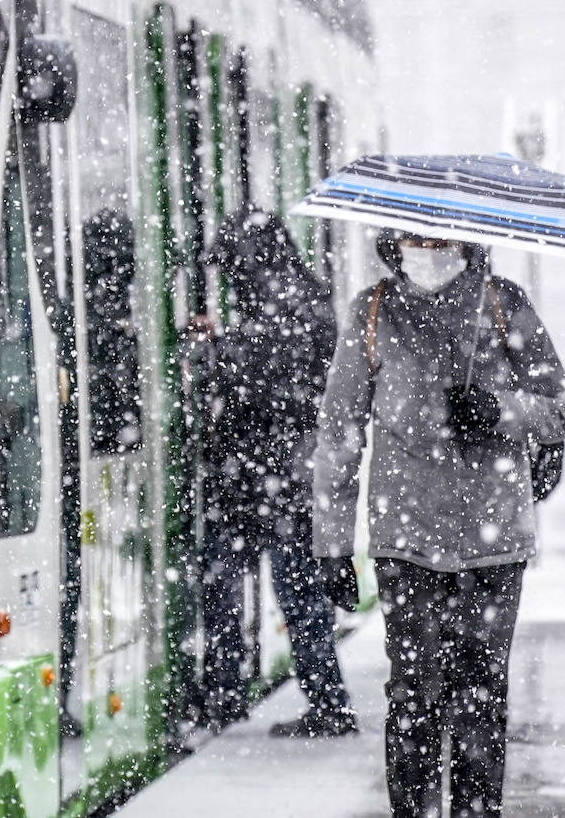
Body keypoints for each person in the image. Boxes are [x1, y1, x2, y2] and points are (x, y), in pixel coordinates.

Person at [311, 232, 565, 818]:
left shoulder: (503, 303)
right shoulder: (374, 310)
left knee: (482, 696)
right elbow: (340, 432)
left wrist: (499, 409)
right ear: (395, 243)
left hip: (495, 542)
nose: (428, 247)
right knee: (413, 694)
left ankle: (477, 811)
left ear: (464, 241)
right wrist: (331, 543)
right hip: (406, 543)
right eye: (415, 237)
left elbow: (562, 408)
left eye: (440, 237)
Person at [197, 211, 356, 738]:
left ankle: (234, 693)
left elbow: (265, 379)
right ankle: (312, 696)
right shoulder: (307, 298)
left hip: (268, 475)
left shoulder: (288, 306)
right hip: (278, 475)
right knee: (292, 593)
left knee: (255, 586)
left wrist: (216, 353)